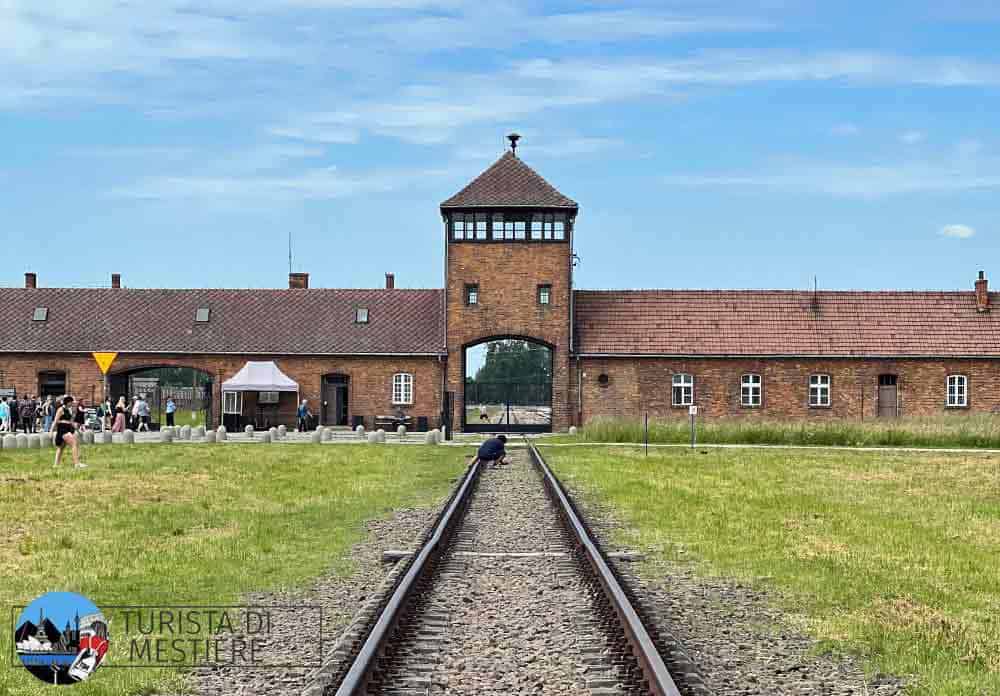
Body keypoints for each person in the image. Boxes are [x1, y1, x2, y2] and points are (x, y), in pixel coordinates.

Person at [51, 395, 86, 469]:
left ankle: (56, 465)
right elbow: (55, 421)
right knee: (74, 444)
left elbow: (70, 421)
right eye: (71, 402)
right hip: (62, 430)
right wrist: (51, 431)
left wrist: (76, 428)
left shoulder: (68, 410)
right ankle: (77, 464)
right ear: (67, 402)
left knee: (61, 448)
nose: (72, 403)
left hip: (67, 429)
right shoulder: (60, 409)